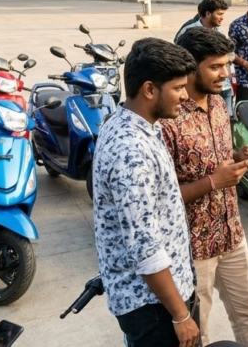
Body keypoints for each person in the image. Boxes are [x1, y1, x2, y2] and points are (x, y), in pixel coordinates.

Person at [92, 38, 199, 347]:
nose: (185, 95)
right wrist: (180, 315)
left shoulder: (142, 125)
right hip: (153, 308)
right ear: (149, 89)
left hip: (163, 299)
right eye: (178, 88)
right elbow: (145, 249)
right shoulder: (130, 150)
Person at [161, 28, 248, 347]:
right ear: (190, 68)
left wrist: (239, 159)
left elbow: (215, 158)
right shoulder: (167, 118)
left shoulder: (219, 104)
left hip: (231, 234)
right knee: (197, 329)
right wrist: (213, 182)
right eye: (215, 66)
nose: (225, 73)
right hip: (193, 248)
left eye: (227, 65)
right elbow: (160, 197)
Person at [175, 0, 234, 114]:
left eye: (223, 14)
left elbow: (231, 55)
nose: (222, 18)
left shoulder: (220, 32)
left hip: (224, 87)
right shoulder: (188, 32)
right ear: (208, 14)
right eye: (219, 14)